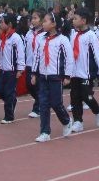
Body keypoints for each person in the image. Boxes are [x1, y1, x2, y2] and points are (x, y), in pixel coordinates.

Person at [29, 11, 75, 142]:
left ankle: (66, 120)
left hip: (56, 77)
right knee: (43, 104)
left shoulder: (62, 40)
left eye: (45, 21)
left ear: (54, 24)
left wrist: (67, 76)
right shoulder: (41, 39)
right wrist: (34, 73)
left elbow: (68, 58)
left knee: (56, 103)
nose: (43, 23)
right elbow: (37, 57)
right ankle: (45, 132)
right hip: (43, 76)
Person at [67, 7, 99, 132]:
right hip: (74, 72)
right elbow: (70, 52)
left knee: (86, 96)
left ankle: (98, 110)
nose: (73, 21)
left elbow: (97, 53)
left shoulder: (91, 36)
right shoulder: (73, 34)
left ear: (83, 21)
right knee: (74, 97)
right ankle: (78, 121)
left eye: (75, 18)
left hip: (86, 72)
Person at [0, 13, 25, 123]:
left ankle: (9, 116)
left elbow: (20, 54)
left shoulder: (15, 38)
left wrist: (20, 69)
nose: (0, 24)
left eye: (2, 22)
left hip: (12, 71)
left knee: (8, 92)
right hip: (2, 69)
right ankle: (11, 101)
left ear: (10, 24)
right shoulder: (1, 37)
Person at [24, 10, 44, 119]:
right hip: (29, 63)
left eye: (35, 18)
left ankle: (37, 108)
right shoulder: (29, 33)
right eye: (32, 18)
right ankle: (42, 101)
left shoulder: (45, 34)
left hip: (40, 65)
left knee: (38, 86)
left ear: (41, 20)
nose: (33, 20)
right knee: (29, 85)